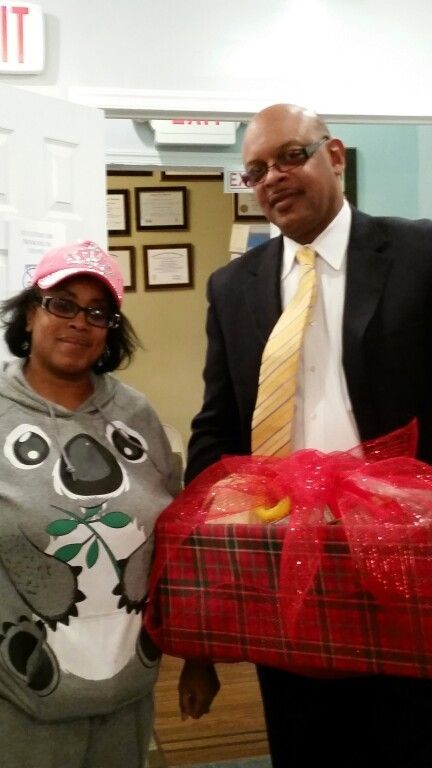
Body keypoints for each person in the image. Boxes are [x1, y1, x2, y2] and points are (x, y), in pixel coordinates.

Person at [182, 104, 432, 767]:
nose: (273, 178)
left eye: (291, 156)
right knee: (303, 741)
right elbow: (218, 426)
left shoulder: (420, 253)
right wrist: (200, 553)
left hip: (407, 556)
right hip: (283, 560)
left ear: (337, 156)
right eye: (256, 169)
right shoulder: (233, 288)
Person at [0, 239, 182, 768]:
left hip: (127, 697)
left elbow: (173, 538)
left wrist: (198, 656)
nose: (79, 322)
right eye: (62, 303)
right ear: (31, 313)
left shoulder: (137, 415)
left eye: (98, 312)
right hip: (18, 704)